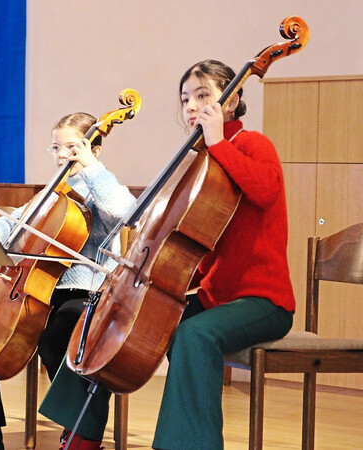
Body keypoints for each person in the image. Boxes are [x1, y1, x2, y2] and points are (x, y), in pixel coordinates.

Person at [41, 59, 296, 450]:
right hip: (215, 297)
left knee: (194, 335)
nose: (192, 106)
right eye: (185, 99)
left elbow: (266, 190)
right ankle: (80, 438)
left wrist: (217, 142)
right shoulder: (201, 161)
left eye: (203, 95)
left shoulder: (248, 145)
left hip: (262, 300)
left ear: (233, 100)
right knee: (105, 320)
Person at [0, 112, 137, 450]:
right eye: (56, 148)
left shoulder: (101, 187)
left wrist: (89, 166)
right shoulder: (54, 192)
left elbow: (125, 211)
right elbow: (16, 222)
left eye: (70, 147)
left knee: (60, 333)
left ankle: (80, 430)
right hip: (39, 290)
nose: (62, 156)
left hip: (84, 291)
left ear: (94, 150)